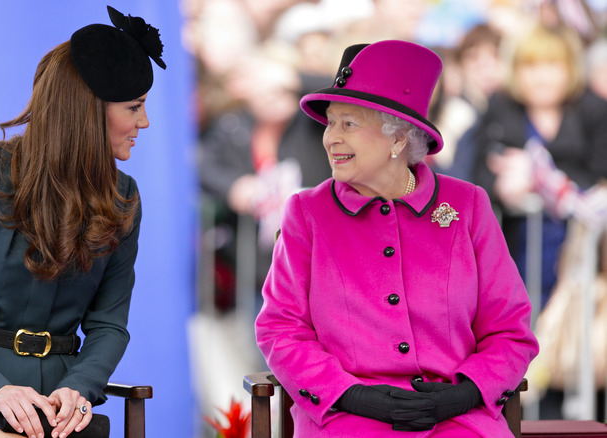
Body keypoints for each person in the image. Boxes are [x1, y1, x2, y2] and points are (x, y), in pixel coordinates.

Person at [255, 40, 539, 436]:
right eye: (330, 122)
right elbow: (281, 330)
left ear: (398, 138)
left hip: (456, 418)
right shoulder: (308, 213)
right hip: (348, 419)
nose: (330, 138)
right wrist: (349, 394)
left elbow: (510, 330)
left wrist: (466, 392)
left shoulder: (467, 205)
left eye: (348, 124)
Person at [0, 6, 165, 438]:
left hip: (57, 407)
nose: (144, 121)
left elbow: (108, 325)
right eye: (134, 106)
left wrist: (78, 387)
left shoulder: (125, 196)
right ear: (87, 110)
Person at [471, 24, 607, 312]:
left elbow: (598, 171)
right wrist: (501, 185)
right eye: (530, 67)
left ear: (571, 69)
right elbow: (478, 168)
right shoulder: (500, 107)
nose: (541, 78)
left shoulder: (593, 109)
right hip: (515, 245)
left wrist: (536, 174)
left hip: (576, 250)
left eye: (552, 66)